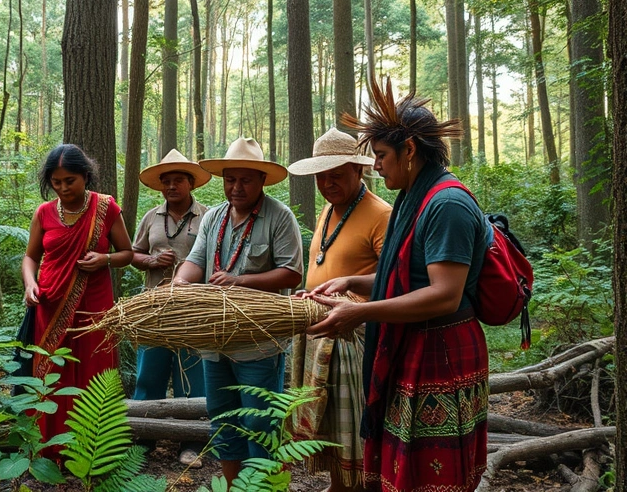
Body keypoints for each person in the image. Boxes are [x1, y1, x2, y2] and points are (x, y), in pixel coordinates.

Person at [306, 77, 491, 492]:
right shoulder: (414, 197)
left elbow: (444, 294)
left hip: (441, 350)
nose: (376, 165)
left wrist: (361, 313)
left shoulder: (447, 204)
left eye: (381, 155)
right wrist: (351, 281)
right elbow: (404, 277)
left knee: (435, 472)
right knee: (404, 466)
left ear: (409, 150)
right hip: (411, 343)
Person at [172, 137, 304, 485]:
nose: (236, 187)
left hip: (259, 344)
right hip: (215, 343)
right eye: (230, 179)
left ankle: (263, 487)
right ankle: (232, 487)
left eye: (245, 180)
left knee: (260, 422)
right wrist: (180, 282)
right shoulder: (213, 217)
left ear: (262, 180)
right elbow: (195, 261)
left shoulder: (279, 216)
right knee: (223, 419)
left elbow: (292, 273)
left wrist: (240, 280)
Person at [286, 128, 392, 492]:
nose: (327, 184)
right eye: (321, 176)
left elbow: (395, 279)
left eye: (336, 175)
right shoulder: (328, 210)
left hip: (355, 337)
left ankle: (356, 485)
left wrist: (349, 289)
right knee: (330, 422)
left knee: (353, 426)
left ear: (358, 171)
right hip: (323, 333)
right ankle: (339, 484)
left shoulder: (380, 214)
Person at [22, 144, 134, 447]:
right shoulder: (44, 213)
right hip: (50, 304)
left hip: (94, 306)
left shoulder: (106, 208)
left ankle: (94, 449)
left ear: (85, 175)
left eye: (69, 181)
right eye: (56, 182)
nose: (62, 188)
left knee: (94, 372)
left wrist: (104, 259)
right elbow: (30, 257)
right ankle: (50, 447)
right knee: (52, 372)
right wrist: (30, 284)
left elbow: (127, 253)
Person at [130, 149, 211, 467]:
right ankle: (143, 441)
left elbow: (217, 258)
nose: (172, 186)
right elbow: (133, 254)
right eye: (166, 181)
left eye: (178, 180)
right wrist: (151, 260)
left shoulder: (208, 216)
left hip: (194, 310)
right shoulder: (151, 217)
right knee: (149, 374)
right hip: (154, 309)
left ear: (191, 183)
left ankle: (191, 444)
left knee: (191, 376)